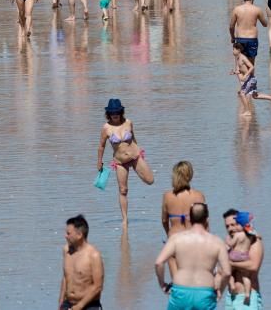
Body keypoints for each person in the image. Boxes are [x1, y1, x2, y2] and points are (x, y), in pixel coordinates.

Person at [154, 204, 230, 309]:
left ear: (189, 218)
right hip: (205, 292)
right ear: (207, 219)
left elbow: (159, 263)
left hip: (181, 291)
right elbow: (227, 272)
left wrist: (162, 284)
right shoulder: (217, 242)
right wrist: (220, 291)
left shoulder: (176, 239)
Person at [96, 99, 154, 227]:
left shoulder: (128, 123)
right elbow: (101, 146)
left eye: (117, 111)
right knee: (123, 190)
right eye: (112, 112)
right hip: (120, 162)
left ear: (121, 111)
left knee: (150, 180)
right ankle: (125, 219)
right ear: (108, 113)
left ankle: (138, 171)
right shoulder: (106, 128)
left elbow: (133, 138)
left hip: (135, 157)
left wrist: (139, 154)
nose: (115, 114)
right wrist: (99, 162)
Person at [161, 160, 206, 285]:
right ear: (189, 175)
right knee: (195, 281)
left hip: (174, 238)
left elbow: (164, 220)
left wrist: (169, 233)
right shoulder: (198, 196)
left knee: (176, 283)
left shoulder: (167, 196)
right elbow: (204, 222)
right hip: (193, 239)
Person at [59, 215, 105, 310]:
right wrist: (60, 303)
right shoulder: (66, 251)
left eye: (68, 233)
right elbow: (65, 278)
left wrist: (79, 306)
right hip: (68, 304)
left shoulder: (93, 255)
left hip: (89, 305)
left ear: (79, 235)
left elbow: (97, 286)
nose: (65, 236)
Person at [223, 210, 266, 310]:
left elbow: (253, 266)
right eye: (227, 226)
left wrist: (231, 263)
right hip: (230, 297)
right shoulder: (231, 242)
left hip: (247, 298)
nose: (230, 229)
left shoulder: (254, 241)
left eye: (233, 225)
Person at [233, 42, 271, 112]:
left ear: (238, 50)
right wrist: (236, 72)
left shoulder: (243, 58)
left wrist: (245, 75)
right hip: (250, 79)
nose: (233, 51)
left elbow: (252, 67)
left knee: (242, 93)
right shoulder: (238, 59)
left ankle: (247, 111)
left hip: (250, 79)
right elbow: (243, 70)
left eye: (234, 49)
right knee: (255, 96)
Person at [228, 0, 266, 64]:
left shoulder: (237, 9)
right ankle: (251, 75)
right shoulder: (257, 9)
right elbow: (265, 24)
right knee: (251, 65)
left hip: (240, 39)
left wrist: (232, 37)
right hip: (252, 39)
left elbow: (231, 26)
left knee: (240, 66)